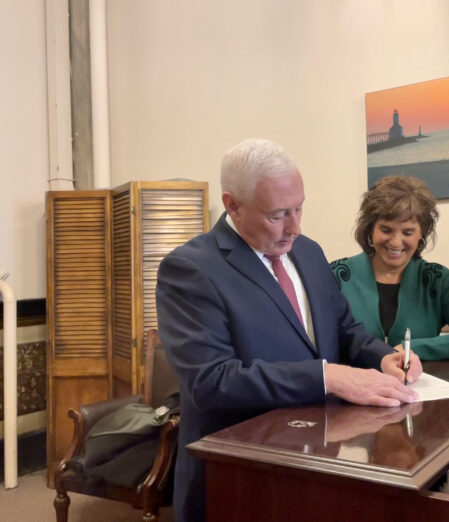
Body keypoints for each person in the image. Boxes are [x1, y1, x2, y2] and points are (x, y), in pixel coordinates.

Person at [156, 140, 422, 522]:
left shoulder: (308, 252)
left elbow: (343, 328)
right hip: (240, 477)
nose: (295, 227)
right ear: (233, 205)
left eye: (299, 208)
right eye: (278, 214)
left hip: (318, 463)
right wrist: (326, 376)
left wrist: (383, 357)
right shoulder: (190, 269)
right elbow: (211, 381)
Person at [331, 175, 449, 361]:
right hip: (351, 380)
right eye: (386, 230)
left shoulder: (438, 280)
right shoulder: (336, 276)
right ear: (370, 229)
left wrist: (409, 349)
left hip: (417, 380)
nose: (396, 242)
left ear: (421, 234)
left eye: (408, 232)